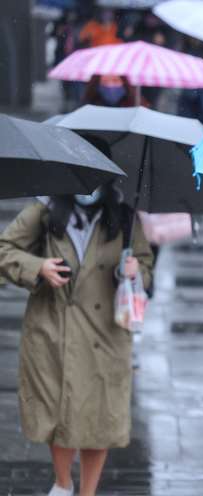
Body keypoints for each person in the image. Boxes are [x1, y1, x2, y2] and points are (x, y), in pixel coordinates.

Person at [0, 184, 154, 496]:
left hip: (105, 334)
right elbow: (5, 250)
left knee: (100, 418)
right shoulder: (44, 212)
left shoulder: (124, 217)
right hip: (54, 329)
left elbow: (146, 267)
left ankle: (88, 492)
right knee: (58, 411)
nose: (90, 188)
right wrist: (38, 266)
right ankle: (62, 482)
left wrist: (135, 271)